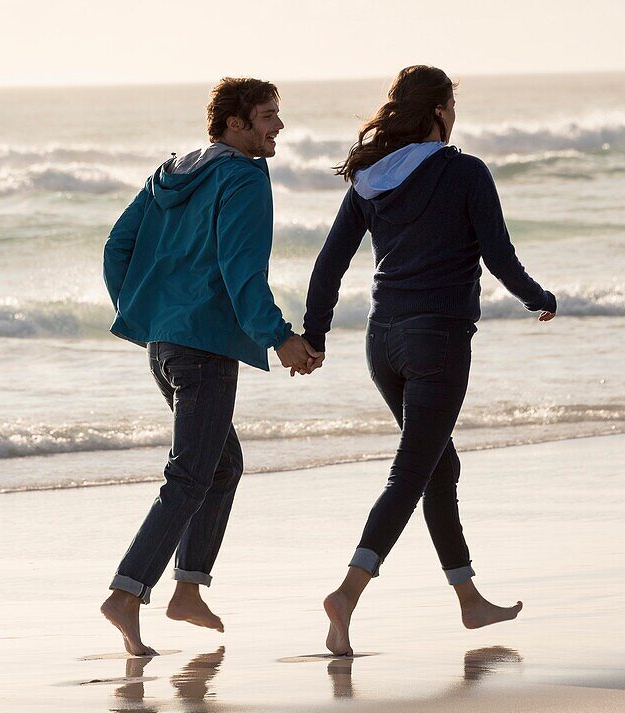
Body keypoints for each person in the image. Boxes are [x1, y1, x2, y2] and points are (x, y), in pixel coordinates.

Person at [301, 65, 557, 656]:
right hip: (437, 341)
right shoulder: (464, 171)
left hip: (382, 343)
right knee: (411, 473)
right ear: (439, 111)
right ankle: (346, 594)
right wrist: (537, 298)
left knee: (439, 466)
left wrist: (314, 335)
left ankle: (469, 600)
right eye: (453, 108)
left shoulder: (370, 178)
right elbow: (499, 254)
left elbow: (329, 264)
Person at [100, 77, 322, 656]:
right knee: (191, 475)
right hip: (204, 352)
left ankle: (189, 589)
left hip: (166, 345)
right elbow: (240, 269)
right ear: (235, 123)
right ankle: (127, 593)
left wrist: (145, 310)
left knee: (220, 467)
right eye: (268, 115)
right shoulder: (243, 178)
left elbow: (116, 248)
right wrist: (280, 338)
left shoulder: (171, 172)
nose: (278, 126)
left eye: (278, 113)